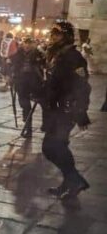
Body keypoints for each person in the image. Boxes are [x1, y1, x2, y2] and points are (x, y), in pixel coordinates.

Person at [41, 22, 91, 199]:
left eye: (58, 34)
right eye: (52, 33)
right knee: (57, 147)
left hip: (66, 110)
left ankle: (74, 180)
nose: (53, 37)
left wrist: (81, 111)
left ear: (67, 36)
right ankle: (71, 181)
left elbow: (83, 86)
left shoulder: (74, 57)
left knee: (51, 147)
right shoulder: (57, 55)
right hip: (55, 109)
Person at [10, 36, 45, 138]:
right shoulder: (18, 54)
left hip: (34, 82)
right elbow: (12, 65)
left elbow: (44, 65)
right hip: (21, 82)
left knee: (43, 104)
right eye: (26, 42)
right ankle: (27, 124)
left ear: (33, 44)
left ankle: (43, 125)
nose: (27, 45)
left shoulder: (38, 54)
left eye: (30, 43)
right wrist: (10, 76)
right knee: (24, 104)